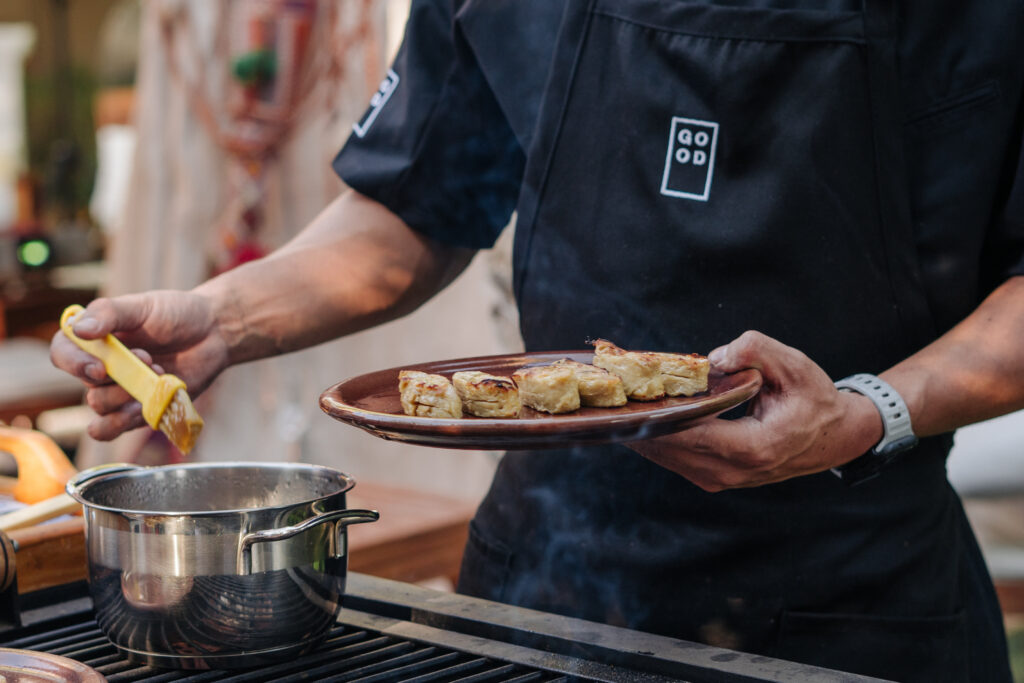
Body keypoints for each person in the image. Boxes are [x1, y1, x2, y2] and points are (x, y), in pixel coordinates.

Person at [51, 1, 1024, 680]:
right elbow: (415, 208)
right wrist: (219, 318)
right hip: (541, 584)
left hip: (853, 595)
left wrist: (869, 412)